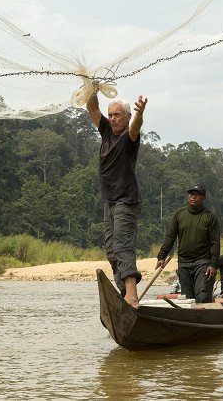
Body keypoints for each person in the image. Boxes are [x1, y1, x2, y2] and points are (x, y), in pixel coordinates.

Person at [86, 86, 148, 309]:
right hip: (109, 202)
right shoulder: (105, 132)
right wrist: (92, 89)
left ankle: (132, 296)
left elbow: (135, 128)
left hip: (126, 200)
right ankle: (124, 294)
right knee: (112, 251)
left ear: (127, 117)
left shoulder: (128, 138)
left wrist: (139, 114)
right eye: (110, 115)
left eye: (117, 115)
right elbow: (92, 108)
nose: (112, 119)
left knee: (123, 246)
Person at [155, 184, 220, 303]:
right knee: (187, 299)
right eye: (191, 194)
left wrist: (214, 265)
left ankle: (204, 318)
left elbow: (215, 243)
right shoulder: (179, 214)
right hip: (184, 263)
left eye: (196, 195)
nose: (193, 197)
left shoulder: (210, 217)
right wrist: (162, 255)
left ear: (203, 197)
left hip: (203, 262)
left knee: (202, 296)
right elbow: (170, 237)